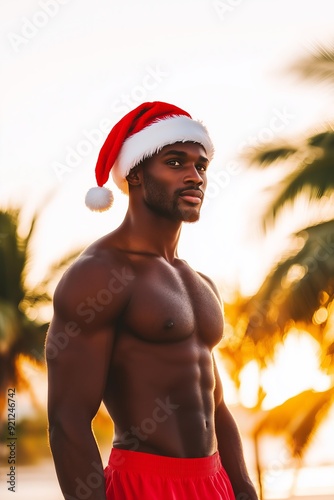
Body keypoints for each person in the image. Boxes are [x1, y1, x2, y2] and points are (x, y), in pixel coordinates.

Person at [46, 101, 258, 500]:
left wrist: (244, 488)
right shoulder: (100, 273)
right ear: (137, 173)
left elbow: (217, 406)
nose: (194, 176)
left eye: (201, 166)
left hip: (214, 483)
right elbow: (68, 420)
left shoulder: (200, 282)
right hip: (145, 484)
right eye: (175, 163)